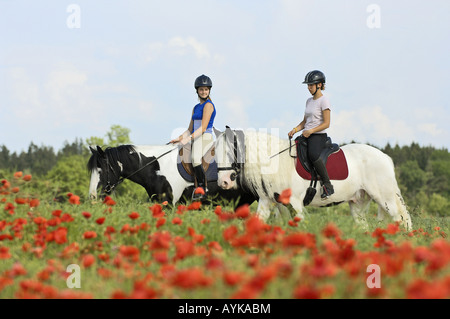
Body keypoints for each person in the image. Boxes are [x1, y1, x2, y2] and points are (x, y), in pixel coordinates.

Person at [288, 70, 334, 199]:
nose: (308, 88)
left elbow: (327, 123)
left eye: (311, 85)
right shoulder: (309, 101)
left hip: (318, 135)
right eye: (308, 85)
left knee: (313, 155)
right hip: (307, 134)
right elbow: (305, 122)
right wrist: (295, 130)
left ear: (319, 85)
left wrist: (311, 131)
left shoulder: (324, 100)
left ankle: (327, 185)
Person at [169, 74, 216, 200]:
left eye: (206, 89)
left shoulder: (208, 105)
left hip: (205, 136)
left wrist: (188, 139)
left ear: (209, 90)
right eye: (201, 89)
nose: (204, 91)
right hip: (195, 136)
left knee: (195, 158)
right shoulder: (195, 108)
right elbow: (190, 129)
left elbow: (203, 127)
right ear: (197, 91)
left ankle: (202, 189)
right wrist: (179, 138)